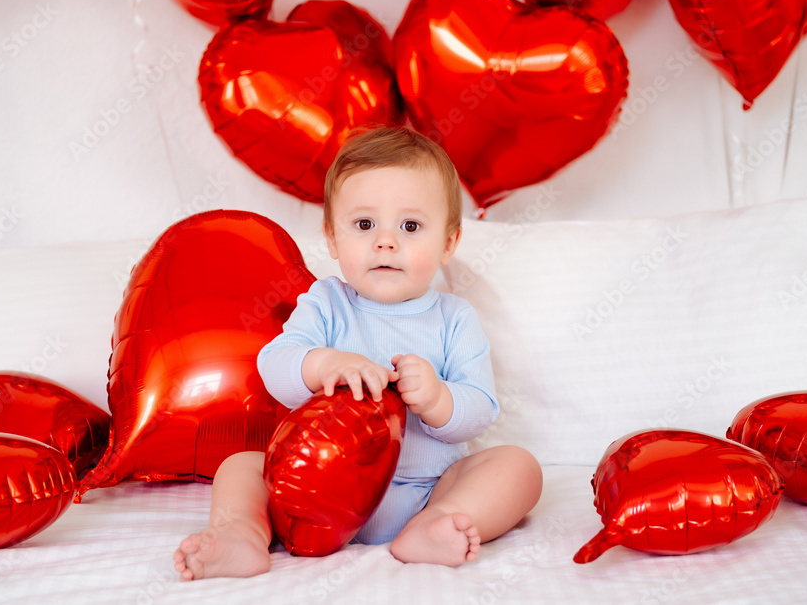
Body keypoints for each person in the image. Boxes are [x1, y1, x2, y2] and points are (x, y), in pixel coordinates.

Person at [174, 126, 543, 580]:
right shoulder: (326, 302)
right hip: (312, 488)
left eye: (410, 226)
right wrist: (324, 363)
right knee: (240, 467)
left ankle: (435, 525)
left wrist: (436, 398)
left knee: (518, 467)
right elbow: (274, 365)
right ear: (332, 238)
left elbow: (480, 409)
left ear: (448, 243)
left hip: (425, 490)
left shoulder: (454, 318)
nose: (385, 242)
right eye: (365, 225)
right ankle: (242, 534)